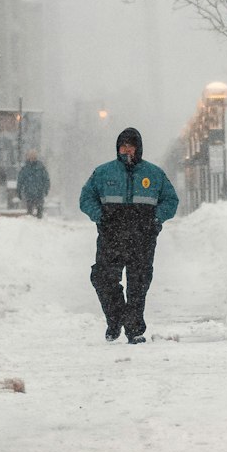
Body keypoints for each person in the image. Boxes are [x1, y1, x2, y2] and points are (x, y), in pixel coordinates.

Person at [79, 125, 179, 344]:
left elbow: (171, 200)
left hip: (142, 238)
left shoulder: (154, 174)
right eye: (123, 146)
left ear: (138, 148)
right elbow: (86, 198)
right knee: (103, 278)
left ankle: (134, 329)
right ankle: (115, 319)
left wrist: (155, 219)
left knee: (138, 283)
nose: (127, 151)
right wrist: (100, 216)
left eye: (131, 146)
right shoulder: (103, 173)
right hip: (111, 236)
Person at [16, 150, 51, 218]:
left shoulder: (41, 168)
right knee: (29, 212)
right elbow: (20, 181)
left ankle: (39, 223)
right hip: (29, 193)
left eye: (34, 157)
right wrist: (19, 191)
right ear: (28, 158)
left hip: (39, 192)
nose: (32, 158)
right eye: (31, 157)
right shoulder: (25, 169)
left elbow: (46, 179)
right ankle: (31, 224)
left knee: (39, 211)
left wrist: (46, 189)